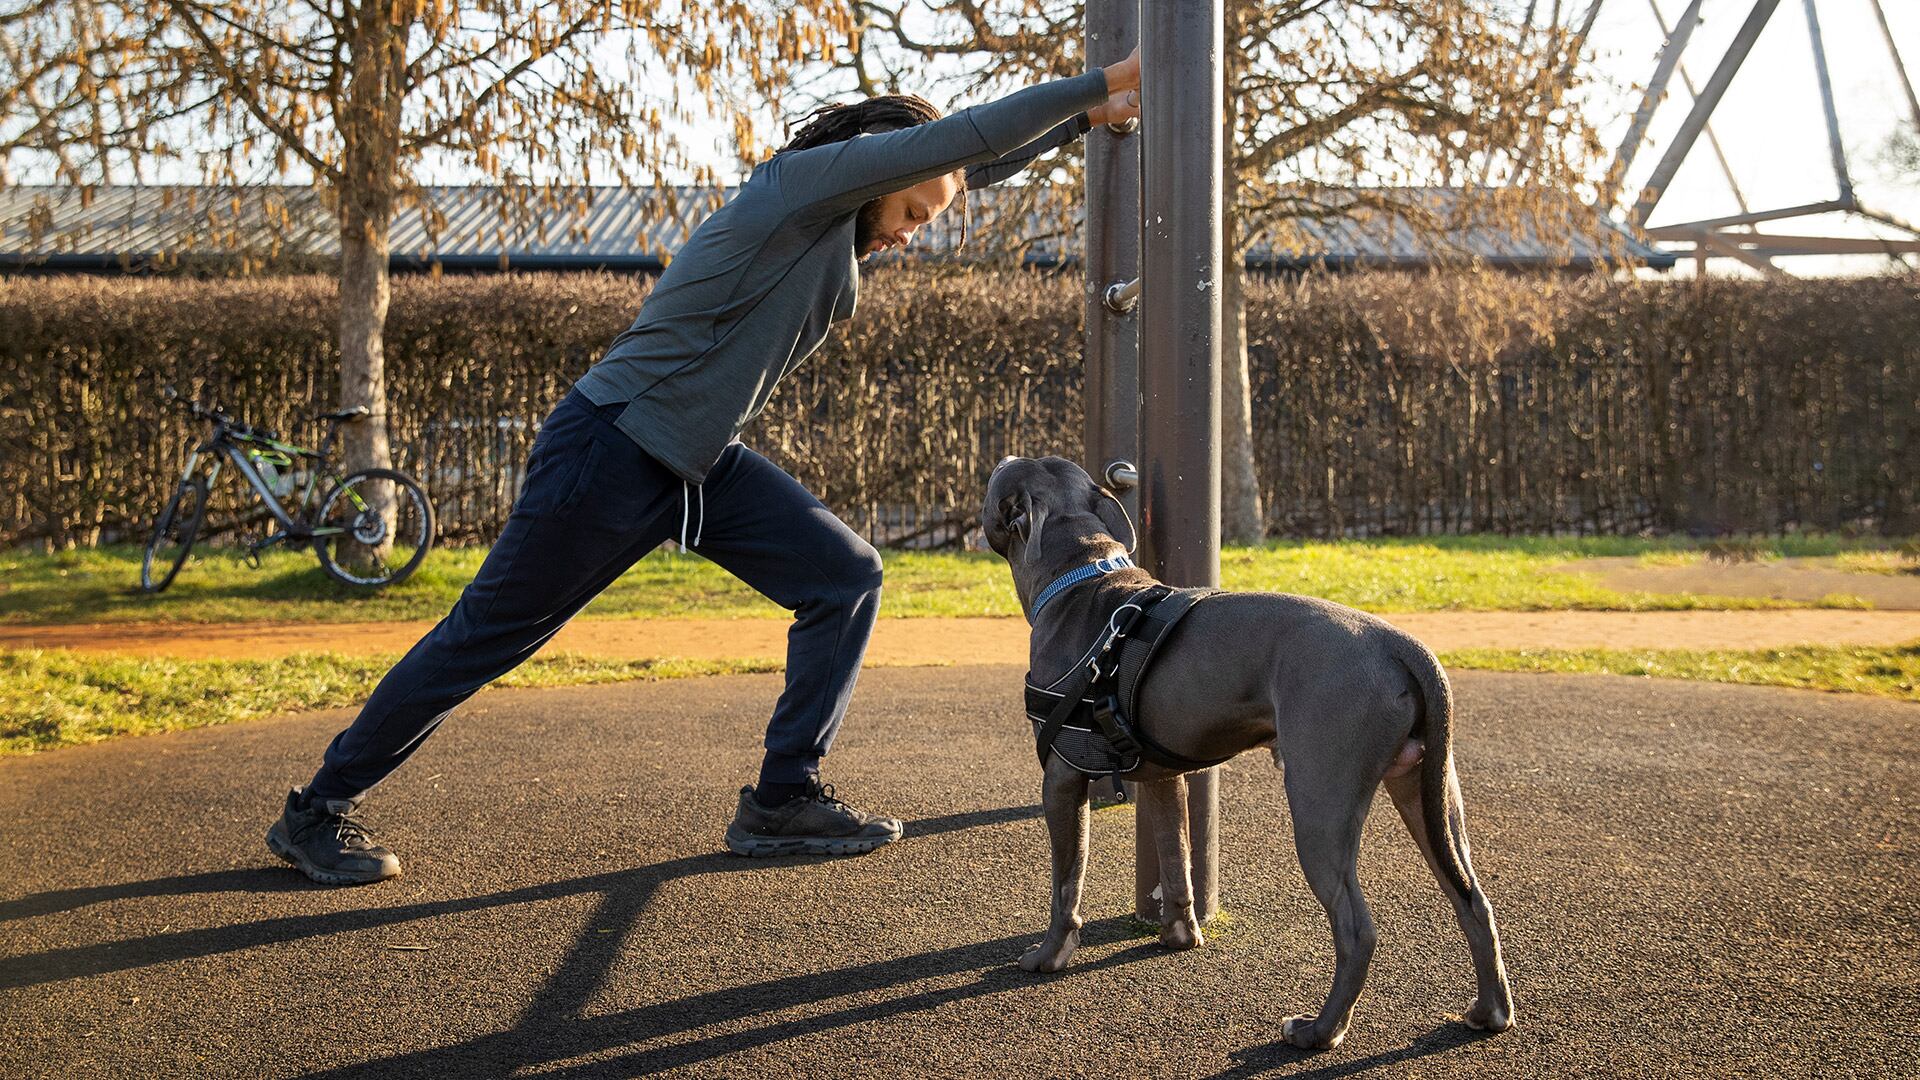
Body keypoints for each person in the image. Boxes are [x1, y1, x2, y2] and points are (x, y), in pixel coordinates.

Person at [267, 50, 1145, 885]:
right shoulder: (799, 189)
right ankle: (316, 809)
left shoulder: (841, 214)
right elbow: (964, 143)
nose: (913, 235)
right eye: (914, 214)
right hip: (612, 445)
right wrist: (1105, 80)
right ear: (881, 172)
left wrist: (1081, 124)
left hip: (692, 460)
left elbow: (968, 166)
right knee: (485, 639)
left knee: (844, 576)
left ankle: (782, 800)